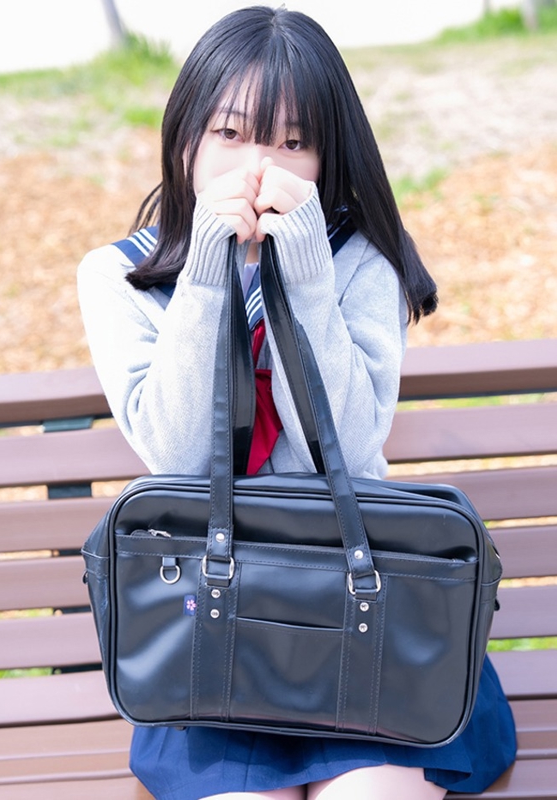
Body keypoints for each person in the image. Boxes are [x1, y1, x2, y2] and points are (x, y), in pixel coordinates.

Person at [77, 6, 516, 799]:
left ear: (327, 156)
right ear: (186, 139)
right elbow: (178, 457)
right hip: (211, 634)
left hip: (363, 623)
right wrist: (207, 270)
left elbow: (342, 445)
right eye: (231, 133)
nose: (259, 165)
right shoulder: (119, 278)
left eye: (292, 142)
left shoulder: (362, 263)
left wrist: (307, 273)